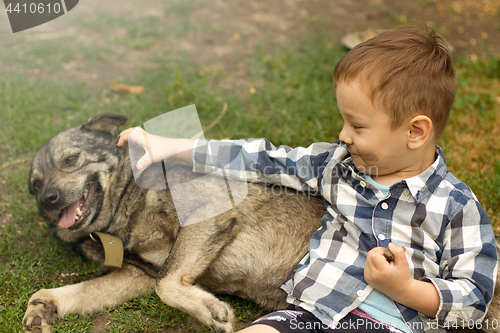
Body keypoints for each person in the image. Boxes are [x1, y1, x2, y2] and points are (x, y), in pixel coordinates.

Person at [117, 25, 497, 333]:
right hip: (310, 316)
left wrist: (407, 289)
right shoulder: (336, 165)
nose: (343, 135)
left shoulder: (458, 207)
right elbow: (259, 158)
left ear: (415, 132)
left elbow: (473, 301)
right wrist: (171, 144)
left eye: (358, 125)